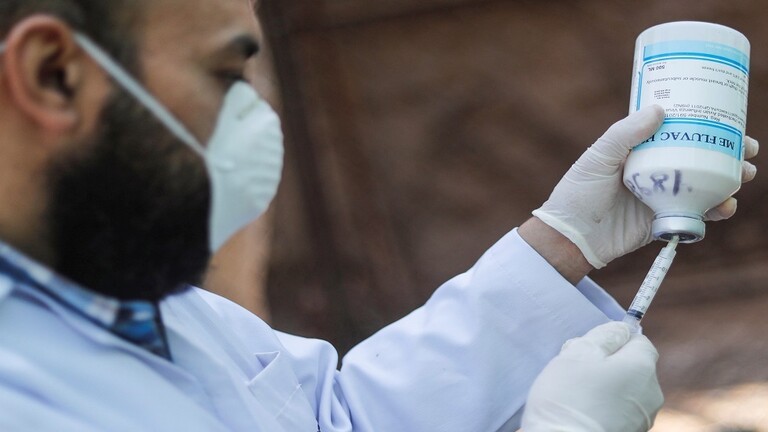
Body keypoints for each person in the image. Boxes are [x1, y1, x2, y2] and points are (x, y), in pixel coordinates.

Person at [0, 0, 758, 431]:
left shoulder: (139, 301)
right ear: (52, 74)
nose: (256, 118)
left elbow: (338, 421)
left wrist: (563, 242)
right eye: (224, 74)